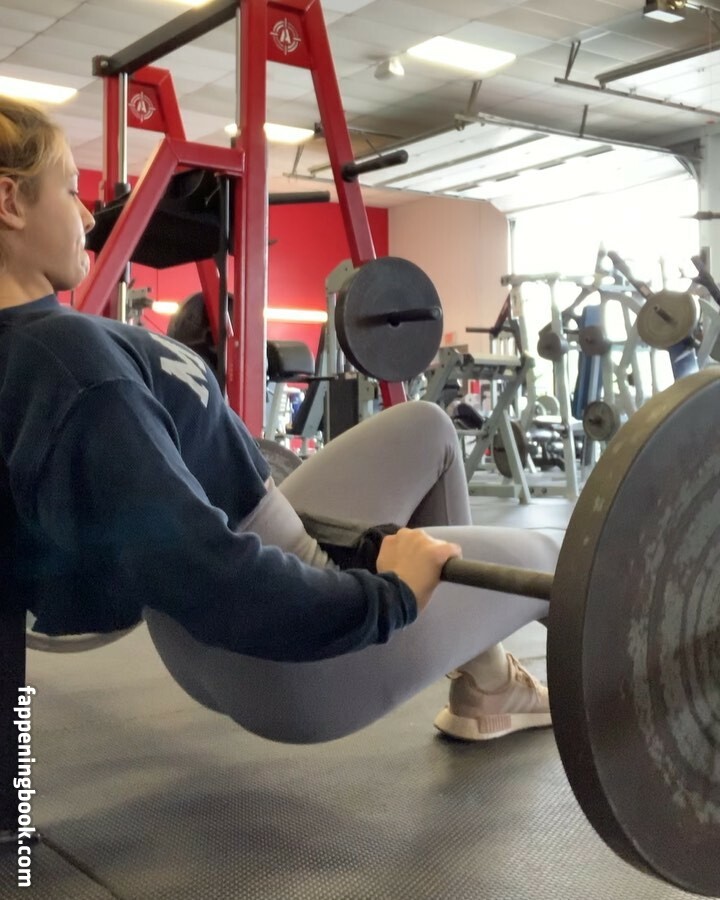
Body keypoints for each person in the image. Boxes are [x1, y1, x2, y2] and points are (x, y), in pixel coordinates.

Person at [0, 97, 561, 745]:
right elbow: (197, 571)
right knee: (563, 557)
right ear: (9, 201)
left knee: (428, 428)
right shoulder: (67, 361)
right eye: (71, 190)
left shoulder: (44, 348)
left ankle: (490, 683)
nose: (85, 214)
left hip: (232, 619)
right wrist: (392, 596)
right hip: (292, 654)